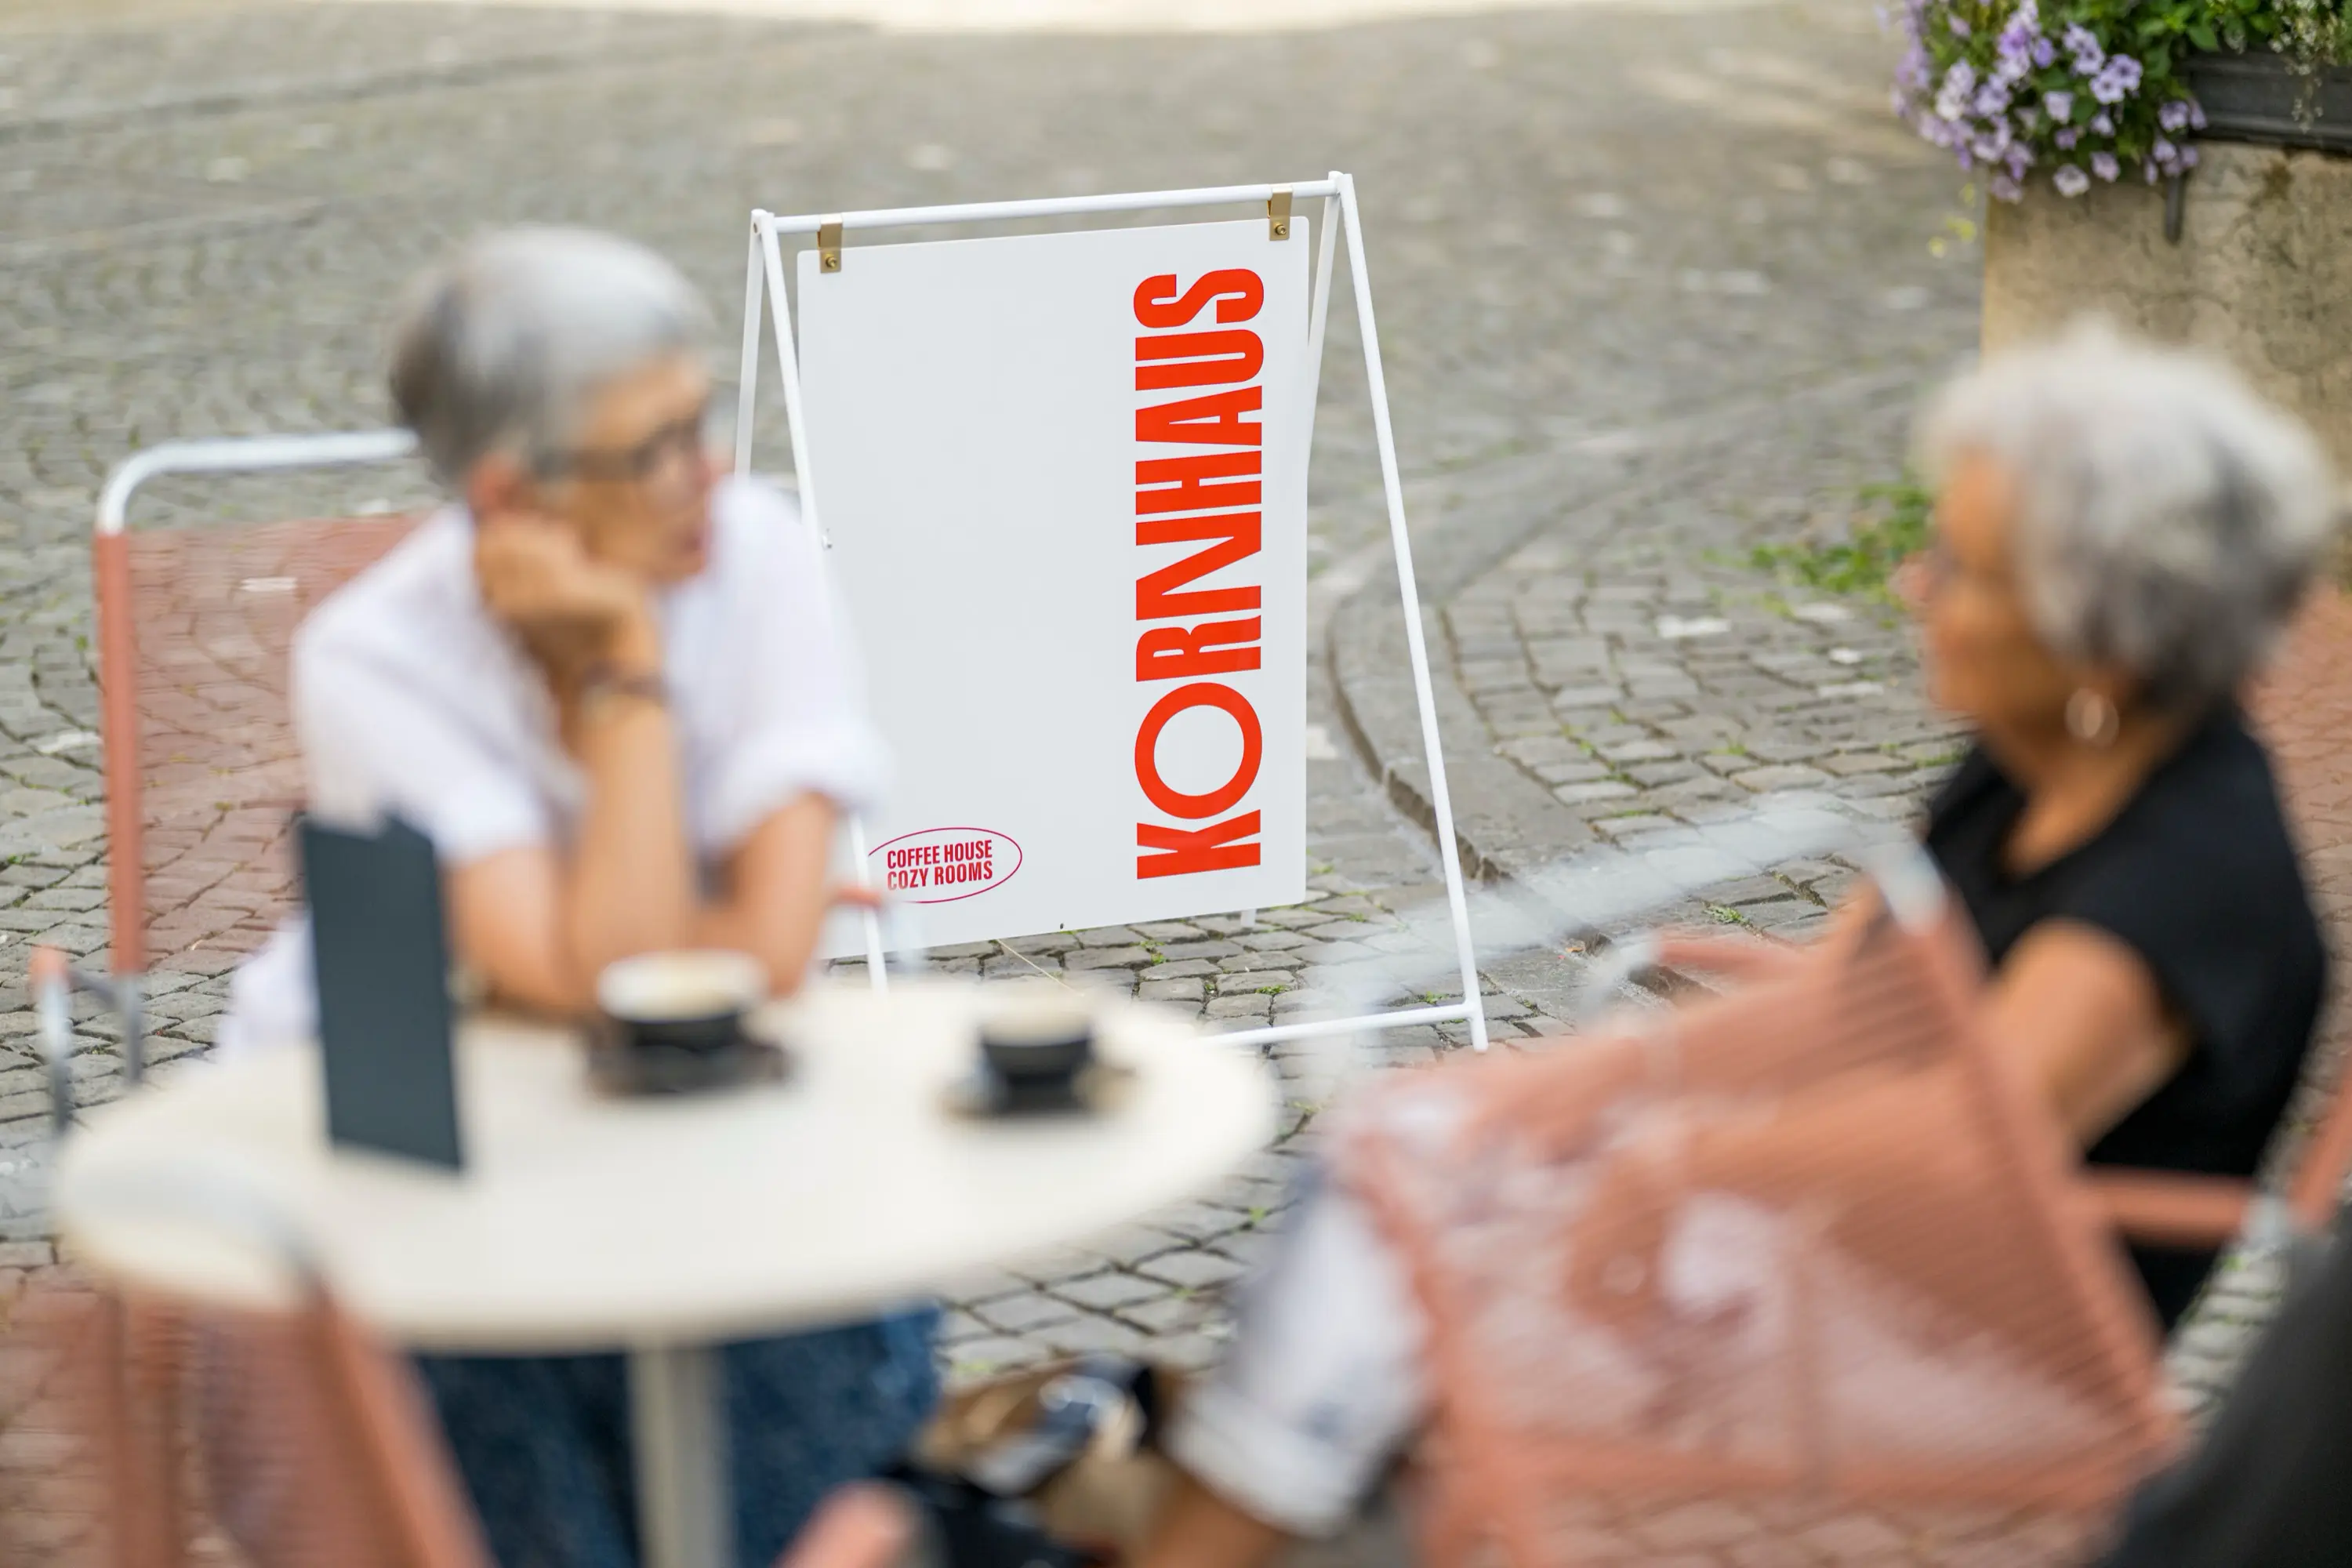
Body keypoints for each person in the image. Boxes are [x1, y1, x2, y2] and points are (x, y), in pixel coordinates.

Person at [1133, 328, 2343, 1566]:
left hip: (1971, 1360)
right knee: (1402, 1153)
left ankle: (1221, 1525)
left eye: (1962, 569)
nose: (1912, 589)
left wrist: (1667, 1169)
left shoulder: (2192, 877)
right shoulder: (2036, 757)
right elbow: (1827, 1014)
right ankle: (1266, 1508)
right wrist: (1546, 1095)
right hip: (1832, 1257)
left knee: (1420, 1280)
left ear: (2102, 642)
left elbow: (1967, 1145)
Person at [216, 227, 935, 1568]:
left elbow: (751, 964)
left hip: (702, 1133)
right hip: (425, 1169)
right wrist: (624, 672)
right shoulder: (375, 660)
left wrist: (619, 701)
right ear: (511, 497)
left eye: (698, 416)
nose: (705, 470)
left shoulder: (763, 559)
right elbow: (612, 982)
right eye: (651, 447)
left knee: (824, 1392)